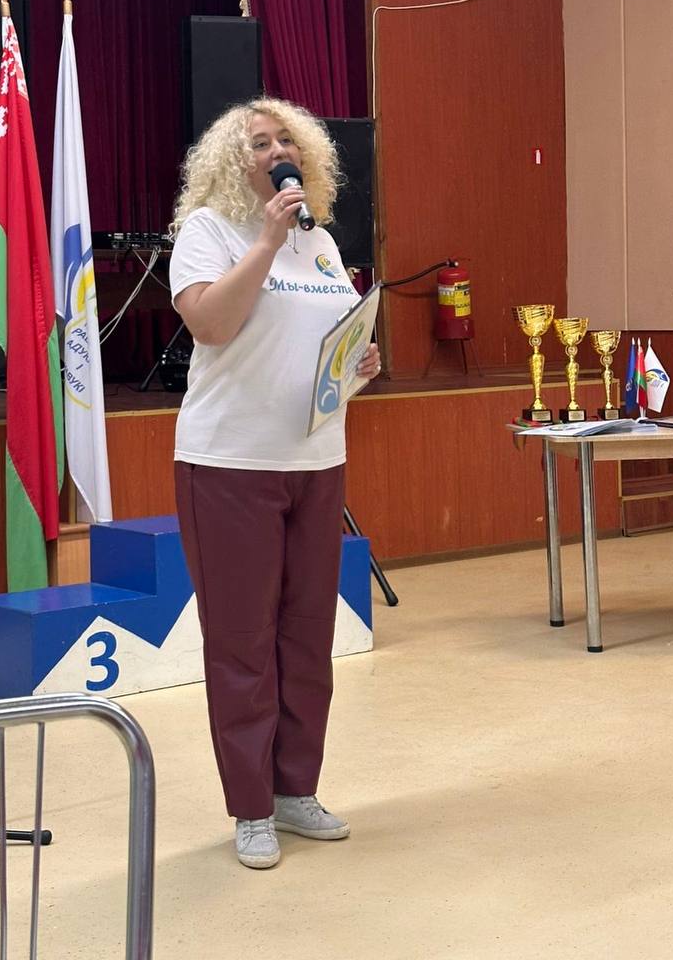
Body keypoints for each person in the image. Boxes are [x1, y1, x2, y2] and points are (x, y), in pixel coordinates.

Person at [168, 97, 380, 870]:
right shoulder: (210, 232)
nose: (276, 149)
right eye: (259, 142)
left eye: (285, 138)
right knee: (242, 645)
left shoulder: (318, 242)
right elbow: (211, 324)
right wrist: (264, 239)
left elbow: (327, 345)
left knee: (306, 639)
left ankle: (295, 791)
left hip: (316, 463)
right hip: (230, 464)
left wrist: (359, 363)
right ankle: (251, 806)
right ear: (234, 161)